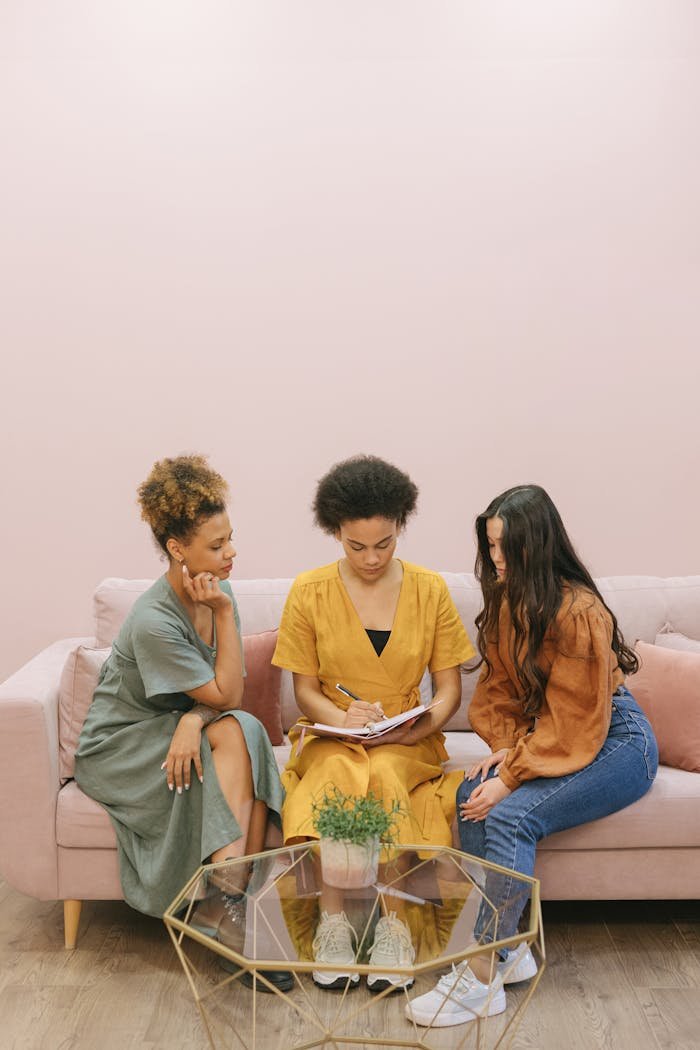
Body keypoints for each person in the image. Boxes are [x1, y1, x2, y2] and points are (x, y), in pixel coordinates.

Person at [406, 484, 658, 1028]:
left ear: (536, 545)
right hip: (557, 733)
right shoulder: (507, 599)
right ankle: (509, 953)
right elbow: (497, 690)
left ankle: (479, 978)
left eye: (507, 548)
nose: (496, 559)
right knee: (473, 793)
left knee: (510, 813)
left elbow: (574, 722)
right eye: (491, 546)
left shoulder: (578, 610)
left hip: (616, 741)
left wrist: (514, 775)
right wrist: (501, 752)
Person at [75, 455, 286, 979]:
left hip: (173, 727)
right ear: (177, 549)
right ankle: (232, 910)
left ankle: (226, 903)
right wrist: (196, 716)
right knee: (239, 729)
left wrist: (193, 719)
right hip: (121, 746)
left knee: (246, 729)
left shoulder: (217, 590)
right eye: (216, 546)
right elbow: (225, 691)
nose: (230, 553)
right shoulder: (152, 619)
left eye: (230, 538)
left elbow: (229, 698)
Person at [271, 454, 475, 991]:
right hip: (333, 735)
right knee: (338, 773)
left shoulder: (429, 589)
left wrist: (420, 722)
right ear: (335, 531)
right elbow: (304, 691)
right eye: (356, 545)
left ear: (401, 527)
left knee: (384, 775)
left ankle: (394, 925)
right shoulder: (309, 590)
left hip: (409, 737)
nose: (370, 557)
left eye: (384, 544)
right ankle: (333, 924)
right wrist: (343, 717)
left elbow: (450, 689)